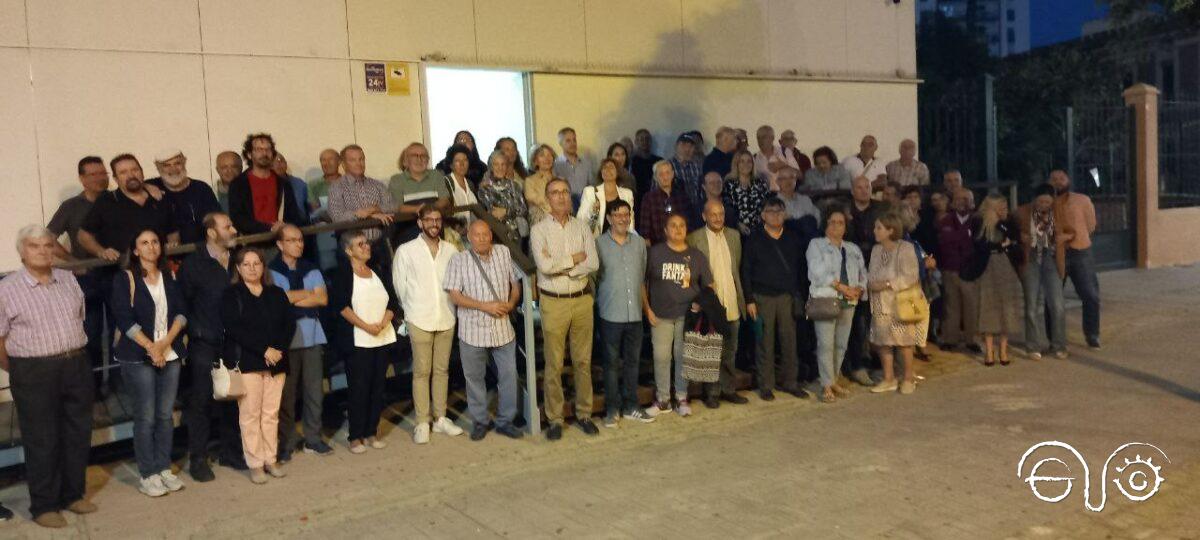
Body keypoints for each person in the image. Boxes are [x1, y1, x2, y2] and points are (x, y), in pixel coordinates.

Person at [0, 225, 96, 527]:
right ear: (21, 251)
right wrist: (18, 368)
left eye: (47, 245)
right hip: (33, 371)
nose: (42, 251)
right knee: (42, 438)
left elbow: (79, 319)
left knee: (77, 432)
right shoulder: (7, 289)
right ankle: (44, 506)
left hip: (75, 364)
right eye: (34, 246)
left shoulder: (68, 279)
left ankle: (73, 494)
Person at [111, 229, 188, 497]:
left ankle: (163, 467)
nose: (151, 246)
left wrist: (164, 344)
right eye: (144, 242)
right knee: (145, 416)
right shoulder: (125, 278)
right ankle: (148, 473)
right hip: (137, 355)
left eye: (155, 241)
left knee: (165, 415)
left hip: (170, 351)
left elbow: (181, 312)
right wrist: (151, 347)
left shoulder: (170, 274)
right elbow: (124, 318)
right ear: (134, 250)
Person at [177, 212, 246, 481]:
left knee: (233, 397)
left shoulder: (239, 259)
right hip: (205, 342)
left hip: (235, 341)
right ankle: (198, 458)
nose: (233, 229)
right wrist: (194, 333)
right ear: (211, 233)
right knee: (201, 402)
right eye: (227, 226)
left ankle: (231, 452)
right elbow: (183, 303)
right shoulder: (194, 265)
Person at [530, 178, 600, 440]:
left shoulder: (582, 227)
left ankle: (584, 414)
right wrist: (573, 259)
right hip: (553, 302)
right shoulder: (539, 231)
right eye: (555, 193)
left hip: (582, 299)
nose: (560, 197)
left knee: (583, 361)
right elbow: (544, 267)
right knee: (554, 364)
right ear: (547, 198)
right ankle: (555, 418)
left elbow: (592, 262)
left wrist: (564, 268)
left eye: (564, 192)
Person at [444, 220, 525, 441]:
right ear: (469, 237)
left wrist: (511, 302)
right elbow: (455, 295)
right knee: (475, 379)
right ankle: (480, 421)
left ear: (491, 235)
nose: (482, 238)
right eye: (477, 235)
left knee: (509, 375)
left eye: (486, 234)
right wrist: (485, 306)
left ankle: (505, 420)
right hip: (472, 330)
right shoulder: (458, 260)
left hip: (502, 329)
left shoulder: (503, 252)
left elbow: (516, 283)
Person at [220, 247, 294, 484]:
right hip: (249, 362)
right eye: (246, 264)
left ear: (263, 267)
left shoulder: (277, 293)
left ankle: (271, 459)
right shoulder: (231, 295)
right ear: (238, 269)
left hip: (276, 362)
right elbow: (234, 329)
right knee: (250, 416)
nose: (252, 268)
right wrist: (264, 350)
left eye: (257, 263)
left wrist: (277, 351)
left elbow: (288, 325)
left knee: (271, 414)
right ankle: (255, 464)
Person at [393, 205, 462, 444]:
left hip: (445, 315)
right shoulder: (406, 250)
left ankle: (441, 418)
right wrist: (411, 309)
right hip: (419, 317)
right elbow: (400, 286)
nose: (434, 224)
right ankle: (422, 421)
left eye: (438, 220)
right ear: (420, 223)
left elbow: (457, 283)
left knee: (442, 370)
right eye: (429, 220)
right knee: (422, 372)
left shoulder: (451, 250)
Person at [268, 225, 333, 460]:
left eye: (300, 240)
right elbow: (278, 302)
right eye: (292, 240)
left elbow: (323, 299)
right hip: (287, 338)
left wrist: (293, 298)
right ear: (280, 244)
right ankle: (286, 441)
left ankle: (313, 438)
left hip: (313, 334)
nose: (299, 244)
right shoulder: (271, 271)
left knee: (315, 390)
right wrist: (307, 295)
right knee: (287, 394)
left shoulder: (311, 267)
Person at [47, 156, 111, 393]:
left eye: (103, 173)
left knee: (123, 330)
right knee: (90, 334)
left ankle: (118, 387)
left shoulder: (116, 200)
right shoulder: (70, 207)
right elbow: (48, 239)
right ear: (82, 178)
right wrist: (74, 262)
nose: (99, 178)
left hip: (118, 275)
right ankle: (93, 390)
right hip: (87, 279)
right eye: (93, 174)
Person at [330, 231, 398, 453]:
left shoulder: (376, 270)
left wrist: (384, 321)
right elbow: (341, 307)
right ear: (348, 250)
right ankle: (355, 436)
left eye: (366, 243)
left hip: (382, 336)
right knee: (359, 389)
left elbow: (392, 301)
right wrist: (367, 326)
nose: (366, 247)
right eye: (360, 244)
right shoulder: (343, 274)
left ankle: (371, 432)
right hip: (359, 340)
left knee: (378, 388)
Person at [643, 213, 712, 417]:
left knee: (682, 357)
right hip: (661, 315)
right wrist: (647, 309)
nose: (678, 229)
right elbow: (642, 283)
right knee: (661, 357)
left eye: (682, 225)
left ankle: (682, 397)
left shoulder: (696, 255)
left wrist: (700, 303)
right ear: (665, 231)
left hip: (687, 316)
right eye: (673, 226)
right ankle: (663, 399)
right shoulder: (654, 253)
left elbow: (709, 285)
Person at [593, 199, 654, 427]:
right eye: (617, 214)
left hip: (635, 315)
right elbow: (595, 279)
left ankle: (631, 406)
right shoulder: (599, 244)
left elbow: (641, 280)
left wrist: (646, 309)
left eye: (626, 214)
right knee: (610, 365)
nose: (622, 218)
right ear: (608, 218)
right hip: (610, 314)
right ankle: (612, 409)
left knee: (633, 363)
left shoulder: (639, 244)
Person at [742, 198, 808, 400]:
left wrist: (801, 295)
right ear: (763, 215)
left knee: (789, 341)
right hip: (762, 298)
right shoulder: (754, 239)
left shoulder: (793, 238)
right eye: (771, 211)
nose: (776, 215)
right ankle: (766, 385)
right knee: (765, 342)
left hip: (787, 297)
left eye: (779, 211)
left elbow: (801, 269)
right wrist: (749, 299)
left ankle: (790, 382)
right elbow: (745, 270)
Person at [687, 200, 749, 408]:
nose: (717, 218)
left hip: (731, 300)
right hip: (710, 303)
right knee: (712, 351)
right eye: (713, 214)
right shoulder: (695, 238)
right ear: (704, 216)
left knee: (730, 351)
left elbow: (736, 268)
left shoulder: (734, 236)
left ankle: (729, 389)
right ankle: (712, 393)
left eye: (720, 214)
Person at [807, 207, 867, 403]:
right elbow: (816, 273)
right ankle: (826, 384)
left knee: (841, 344)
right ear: (825, 224)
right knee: (825, 344)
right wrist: (841, 287)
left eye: (840, 223)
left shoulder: (852, 248)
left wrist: (858, 288)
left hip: (849, 301)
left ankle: (833, 379)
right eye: (832, 222)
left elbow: (862, 272)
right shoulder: (816, 245)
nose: (836, 226)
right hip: (827, 298)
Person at [78, 154, 179, 263]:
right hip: (122, 273)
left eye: (135, 170)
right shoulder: (106, 201)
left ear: (142, 173)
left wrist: (173, 245)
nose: (131, 175)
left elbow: (172, 231)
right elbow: (83, 235)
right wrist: (101, 251)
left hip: (159, 270)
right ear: (116, 179)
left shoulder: (159, 197)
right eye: (123, 172)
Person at [865, 212, 925, 395]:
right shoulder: (876, 250)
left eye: (879, 228)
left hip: (900, 302)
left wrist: (887, 284)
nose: (875, 231)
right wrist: (871, 283)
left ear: (891, 230)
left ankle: (908, 378)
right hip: (880, 303)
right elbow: (872, 273)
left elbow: (910, 275)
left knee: (904, 342)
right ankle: (888, 378)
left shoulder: (905, 248)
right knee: (883, 342)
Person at [844, 175, 889, 384]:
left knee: (879, 319)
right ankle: (858, 365)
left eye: (867, 186)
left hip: (877, 270)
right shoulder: (845, 211)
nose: (864, 190)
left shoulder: (881, 210)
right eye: (859, 187)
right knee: (859, 322)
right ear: (852, 191)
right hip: (853, 274)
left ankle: (879, 363)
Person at [1049, 170, 1101, 349]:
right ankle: (1053, 339)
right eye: (1054, 179)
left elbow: (1091, 225)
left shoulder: (1082, 200)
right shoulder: (1045, 203)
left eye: (1061, 178)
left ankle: (1092, 334)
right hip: (1056, 254)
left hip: (1081, 252)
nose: (1058, 182)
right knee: (1053, 298)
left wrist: (1076, 237)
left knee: (1090, 295)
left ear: (1068, 180)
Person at [1017, 184, 1068, 360]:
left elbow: (1071, 231)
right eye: (1041, 201)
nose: (1044, 204)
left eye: (1048, 201)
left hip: (1051, 259)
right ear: (1034, 200)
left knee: (1057, 304)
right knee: (1031, 305)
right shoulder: (1022, 212)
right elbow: (1010, 228)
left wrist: (1064, 238)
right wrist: (1020, 237)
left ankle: (1059, 345)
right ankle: (1033, 346)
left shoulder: (1059, 213)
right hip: (1031, 258)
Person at [973, 194, 1023, 366]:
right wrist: (1000, 245)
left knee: (1006, 306)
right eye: (1000, 207)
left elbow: (1015, 241)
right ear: (992, 208)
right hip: (987, 267)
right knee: (988, 306)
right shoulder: (980, 223)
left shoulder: (1008, 223)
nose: (1004, 210)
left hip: (1005, 266)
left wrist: (1005, 239)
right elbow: (979, 245)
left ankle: (1003, 349)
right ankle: (989, 350)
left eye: (1005, 206)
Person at [227, 133, 308, 235]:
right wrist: (268, 228)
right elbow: (238, 218)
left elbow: (294, 215)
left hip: (280, 242)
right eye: (259, 149)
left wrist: (284, 226)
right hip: (251, 243)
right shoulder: (238, 184)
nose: (264, 153)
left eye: (268, 149)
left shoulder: (283, 183)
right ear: (249, 154)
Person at [327, 144, 397, 261]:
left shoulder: (377, 185)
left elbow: (394, 206)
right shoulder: (336, 187)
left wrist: (374, 209)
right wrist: (364, 215)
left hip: (378, 246)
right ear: (343, 164)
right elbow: (336, 216)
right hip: (351, 250)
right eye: (353, 160)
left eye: (361, 159)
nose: (359, 163)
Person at [146, 150, 221, 245]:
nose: (173, 169)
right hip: (168, 256)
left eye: (177, 163)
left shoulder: (201, 188)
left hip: (203, 252)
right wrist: (145, 186)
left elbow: (217, 221)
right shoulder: (151, 188)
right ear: (157, 167)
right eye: (166, 165)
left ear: (184, 162)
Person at [937, 188, 980, 353]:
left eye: (966, 199)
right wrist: (965, 235)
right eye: (959, 198)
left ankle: (972, 339)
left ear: (973, 202)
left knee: (971, 306)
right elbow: (945, 241)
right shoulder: (946, 220)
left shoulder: (978, 221)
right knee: (951, 305)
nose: (962, 202)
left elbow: (974, 244)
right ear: (953, 202)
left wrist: (957, 236)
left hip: (970, 271)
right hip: (950, 268)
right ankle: (950, 339)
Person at [390, 142, 451, 242]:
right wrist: (419, 209)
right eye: (414, 156)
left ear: (428, 160)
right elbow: (396, 207)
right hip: (408, 230)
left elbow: (445, 200)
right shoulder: (396, 180)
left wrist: (428, 210)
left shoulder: (436, 175)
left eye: (423, 156)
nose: (419, 159)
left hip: (435, 228)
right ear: (405, 161)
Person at [477, 150, 530, 245]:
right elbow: (492, 212)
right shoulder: (484, 187)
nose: (500, 168)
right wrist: (511, 210)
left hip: (516, 234)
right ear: (491, 167)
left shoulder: (514, 185)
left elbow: (523, 209)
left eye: (503, 164)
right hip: (495, 234)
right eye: (496, 164)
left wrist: (506, 211)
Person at [577, 158, 635, 238]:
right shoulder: (590, 192)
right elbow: (580, 219)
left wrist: (629, 240)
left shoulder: (627, 193)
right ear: (601, 172)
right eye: (604, 168)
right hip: (597, 240)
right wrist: (593, 212)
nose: (608, 170)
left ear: (617, 172)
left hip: (621, 240)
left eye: (611, 167)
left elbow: (630, 219)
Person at [638, 160, 691, 246]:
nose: (665, 177)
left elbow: (689, 225)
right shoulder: (649, 198)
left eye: (667, 173)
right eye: (661, 174)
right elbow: (645, 232)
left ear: (673, 174)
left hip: (681, 245)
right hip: (658, 247)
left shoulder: (682, 197)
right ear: (655, 177)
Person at [724, 149, 770, 236]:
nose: (746, 164)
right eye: (742, 161)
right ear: (736, 164)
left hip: (761, 230)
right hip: (737, 231)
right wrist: (738, 224)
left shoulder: (761, 183)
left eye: (749, 161)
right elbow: (727, 209)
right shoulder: (728, 185)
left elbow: (767, 204)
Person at [553, 127, 594, 198]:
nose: (573, 143)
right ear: (560, 143)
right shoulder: (556, 165)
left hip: (585, 203)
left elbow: (591, 185)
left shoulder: (586, 162)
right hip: (565, 204)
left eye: (574, 140)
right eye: (568, 141)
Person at [669, 133, 705, 213]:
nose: (688, 149)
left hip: (695, 209)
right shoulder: (667, 166)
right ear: (676, 146)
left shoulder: (697, 166)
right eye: (684, 145)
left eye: (691, 146)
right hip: (676, 209)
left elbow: (702, 190)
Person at [524, 144, 556, 225]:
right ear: (535, 161)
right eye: (542, 155)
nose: (547, 158)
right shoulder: (529, 181)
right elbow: (540, 201)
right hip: (541, 222)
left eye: (549, 155)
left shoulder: (560, 180)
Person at [308, 148, 342, 219]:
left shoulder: (349, 182)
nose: (327, 163)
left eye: (331, 159)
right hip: (324, 225)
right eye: (323, 160)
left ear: (339, 161)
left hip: (349, 223)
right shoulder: (313, 185)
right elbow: (315, 209)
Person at [630, 129, 663, 202]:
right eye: (641, 139)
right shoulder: (631, 162)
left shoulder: (660, 161)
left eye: (647, 139)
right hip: (636, 201)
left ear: (650, 142)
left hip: (656, 200)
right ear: (636, 142)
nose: (645, 142)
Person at [752, 125, 783, 190]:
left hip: (783, 195)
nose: (760, 140)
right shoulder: (754, 158)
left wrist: (784, 165)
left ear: (772, 138)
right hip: (765, 196)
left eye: (763, 137)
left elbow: (799, 175)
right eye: (758, 138)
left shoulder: (784, 152)